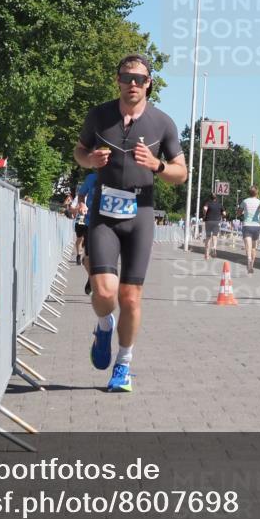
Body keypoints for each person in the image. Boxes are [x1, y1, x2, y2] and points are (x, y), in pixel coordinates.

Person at [73, 54, 187, 392]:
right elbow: (79, 151)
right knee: (105, 293)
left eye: (139, 78)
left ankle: (123, 365)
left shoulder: (162, 123)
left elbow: (181, 174)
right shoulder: (99, 116)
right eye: (126, 77)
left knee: (132, 297)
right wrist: (89, 159)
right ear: (118, 81)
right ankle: (104, 324)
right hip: (104, 215)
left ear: (149, 82)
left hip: (140, 214)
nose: (133, 83)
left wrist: (158, 166)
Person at [238, 185, 260, 275]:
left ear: (249, 193)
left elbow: (238, 213)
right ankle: (252, 265)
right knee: (254, 247)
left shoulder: (245, 201)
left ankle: (249, 261)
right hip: (256, 226)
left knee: (248, 246)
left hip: (247, 225)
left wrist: (241, 212)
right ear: (257, 193)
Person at [75, 171, 98, 294]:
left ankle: (96, 280)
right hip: (91, 222)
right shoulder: (92, 178)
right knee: (87, 259)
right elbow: (81, 194)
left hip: (109, 225)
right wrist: (82, 204)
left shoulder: (117, 175)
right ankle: (91, 277)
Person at [201, 193, 226, 261]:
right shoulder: (220, 204)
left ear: (210, 198)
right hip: (216, 222)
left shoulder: (208, 203)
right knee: (215, 235)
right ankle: (214, 247)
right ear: (216, 198)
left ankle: (206, 255)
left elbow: (204, 208)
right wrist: (223, 217)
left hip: (208, 221)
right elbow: (224, 213)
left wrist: (204, 214)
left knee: (208, 237)